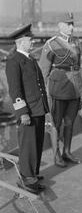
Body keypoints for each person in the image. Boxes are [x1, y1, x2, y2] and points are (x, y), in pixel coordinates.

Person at [5, 24, 49, 194]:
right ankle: (27, 178)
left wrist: (44, 106)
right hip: (28, 111)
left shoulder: (29, 58)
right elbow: (15, 90)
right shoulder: (14, 61)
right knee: (28, 146)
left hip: (38, 109)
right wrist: (23, 113)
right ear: (21, 42)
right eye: (31, 40)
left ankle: (33, 174)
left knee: (37, 144)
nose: (33, 42)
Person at [39, 12, 82, 167]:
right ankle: (56, 155)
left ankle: (67, 152)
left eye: (72, 24)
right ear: (60, 25)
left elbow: (78, 67)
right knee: (56, 124)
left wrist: (81, 87)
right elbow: (43, 73)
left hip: (74, 89)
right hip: (57, 89)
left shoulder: (77, 42)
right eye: (68, 24)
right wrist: (45, 96)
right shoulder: (51, 44)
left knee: (70, 122)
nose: (72, 27)